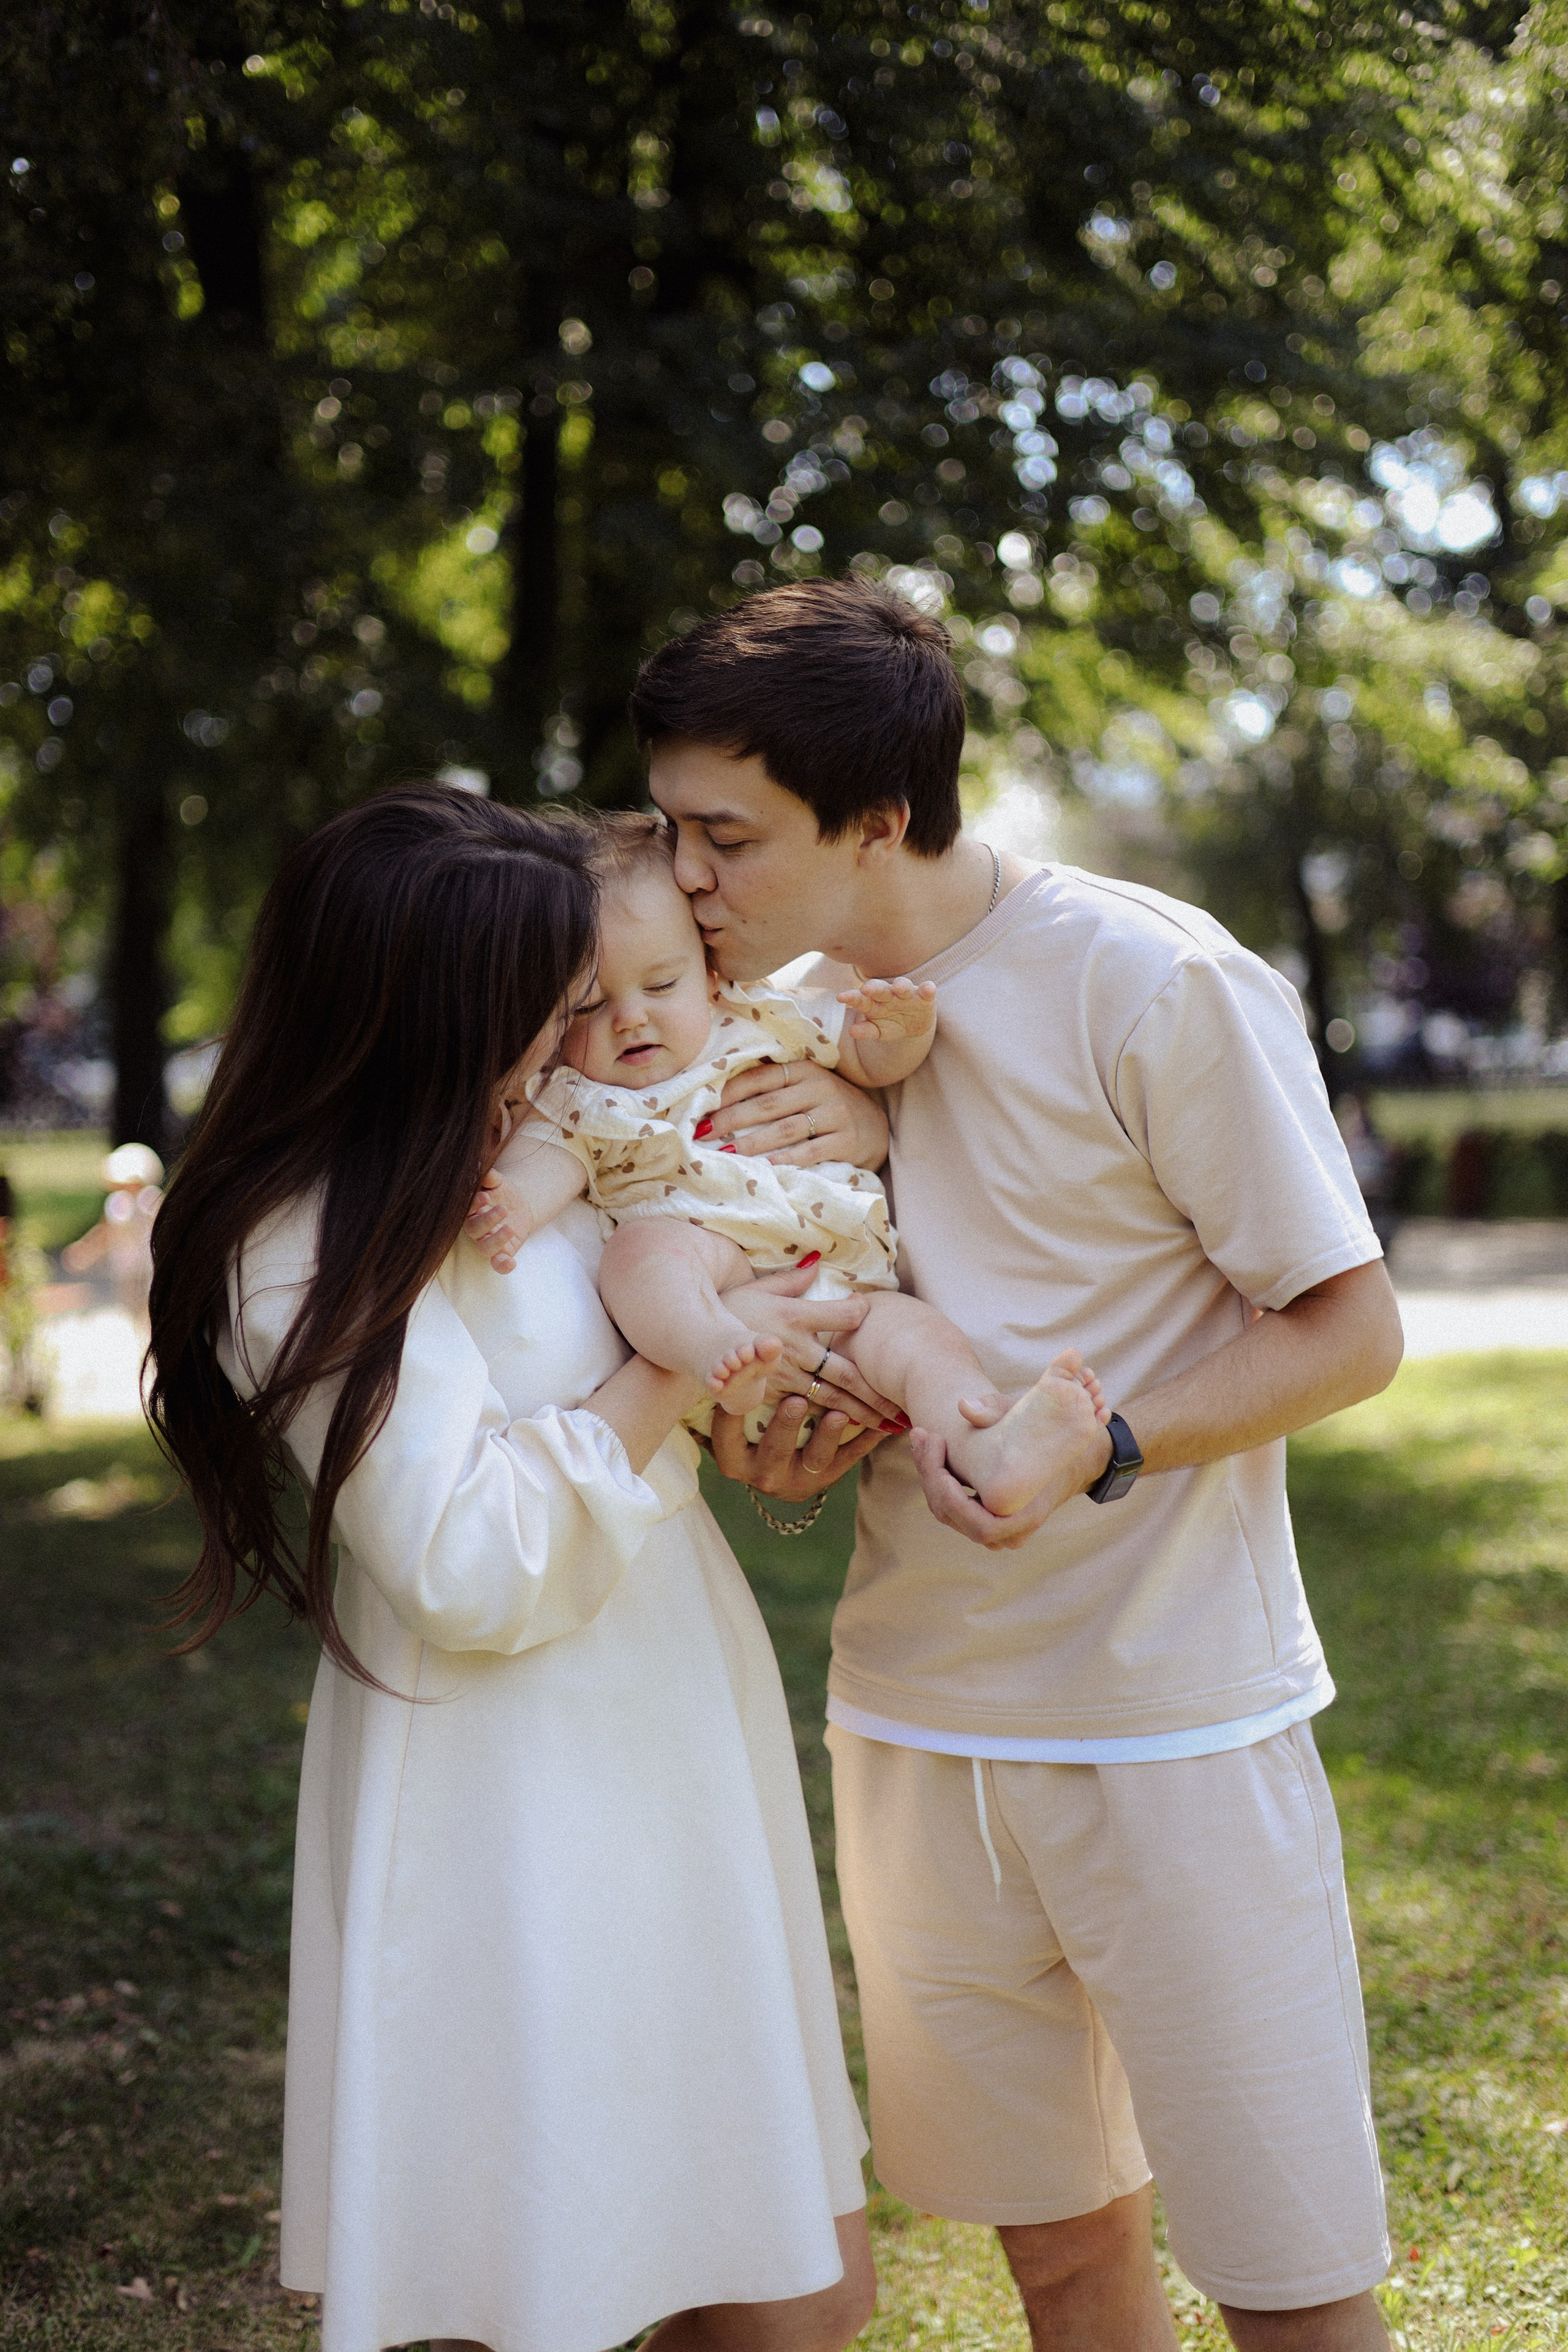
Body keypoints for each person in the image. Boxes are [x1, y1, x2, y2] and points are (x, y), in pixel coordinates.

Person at [630, 579, 1407, 2352]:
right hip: (913, 1725)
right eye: (673, 831)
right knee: (1057, 2263)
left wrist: (1112, 1443)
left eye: (723, 837)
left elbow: (1352, 1330)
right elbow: (804, 1323)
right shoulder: (768, 1028)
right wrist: (791, 1432)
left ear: (878, 818)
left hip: (1176, 1726)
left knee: (1291, 2290)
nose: (681, 878)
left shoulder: (1155, 978)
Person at [145, 785, 879, 2352]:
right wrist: (677, 1381)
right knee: (542, 2283)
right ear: (414, 1018)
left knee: (792, 2291)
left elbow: (722, 1246)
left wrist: (840, 1130)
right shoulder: (297, 1233)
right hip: (503, 1800)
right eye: (535, 1012)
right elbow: (469, 1561)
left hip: (672, 1718)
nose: (570, 1043)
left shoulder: (538, 1141)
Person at [468, 812, 1109, 1519]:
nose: (630, 1019)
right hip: (715, 1284)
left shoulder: (762, 1017)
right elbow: (546, 1160)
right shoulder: (579, 1094)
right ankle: (717, 1348)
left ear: (709, 974)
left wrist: (904, 1031)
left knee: (922, 1342)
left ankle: (988, 1444)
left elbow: (864, 1056)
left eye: (660, 986)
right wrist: (514, 1206)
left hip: (843, 1291)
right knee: (640, 1254)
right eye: (589, 1004)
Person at [61, 1141, 165, 1323]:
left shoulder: (150, 1199)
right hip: (125, 1269)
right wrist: (85, 1252)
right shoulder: (116, 1204)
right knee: (132, 1312)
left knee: (150, 1309)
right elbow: (106, 1233)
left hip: (148, 1267)